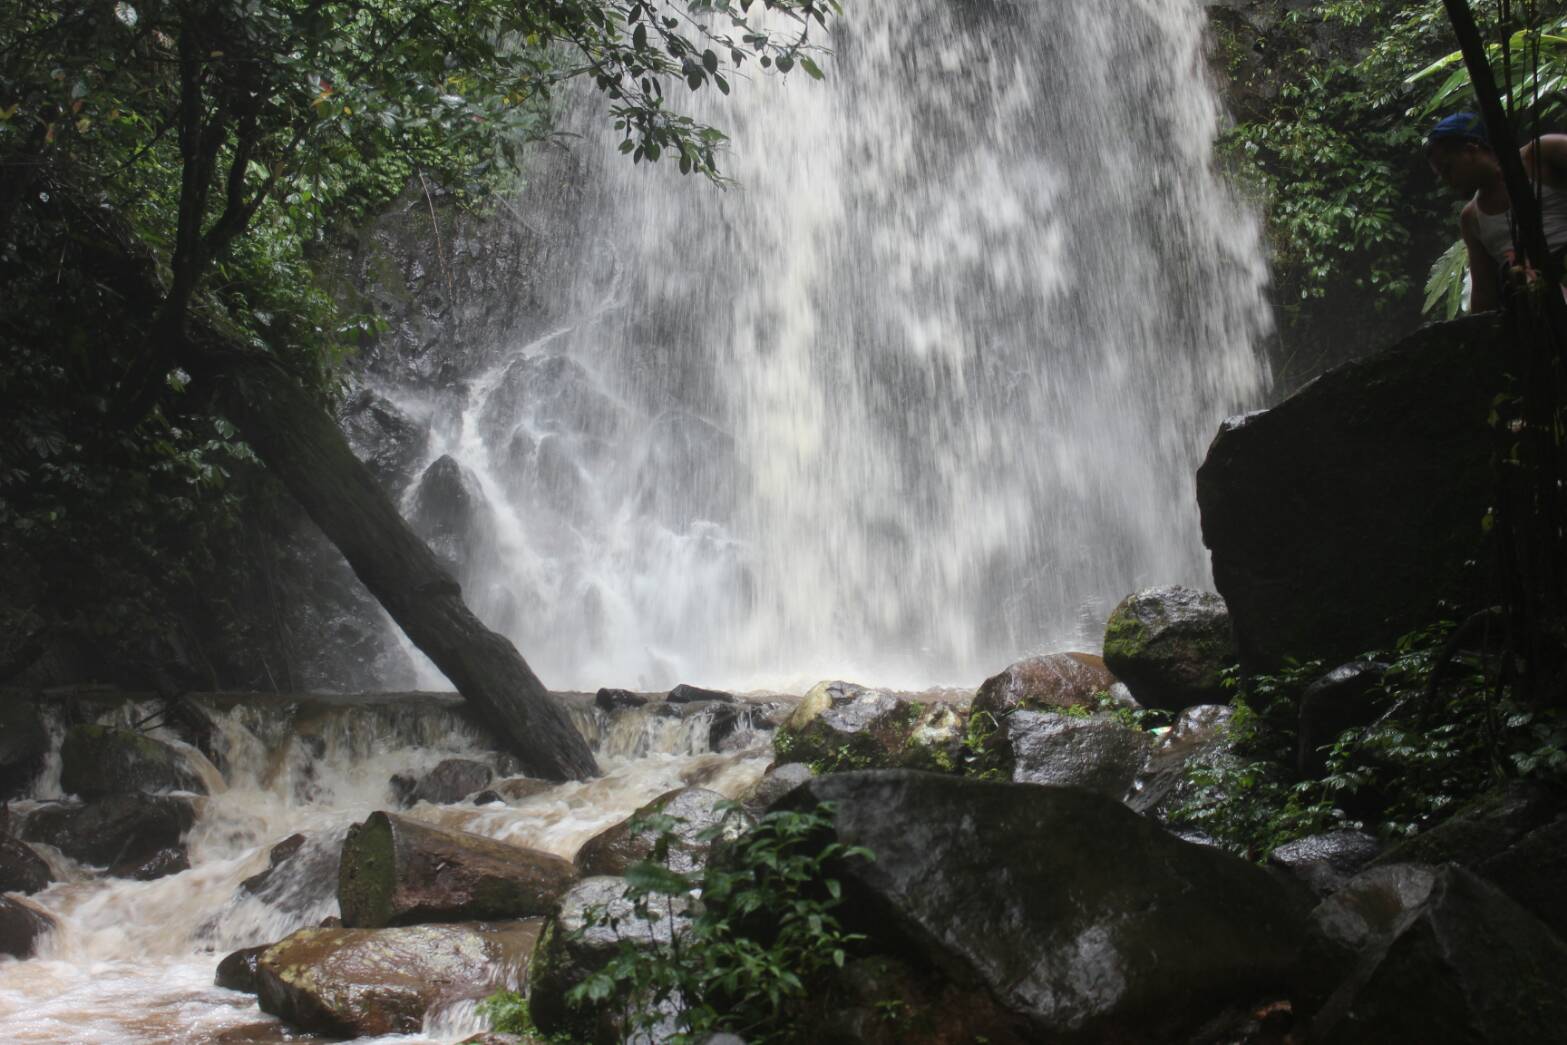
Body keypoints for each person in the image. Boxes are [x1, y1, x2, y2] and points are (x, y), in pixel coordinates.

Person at [1425, 111, 1567, 311]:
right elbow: (1485, 293)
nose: (1448, 182)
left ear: (1471, 150)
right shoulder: (1472, 217)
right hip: (1541, 306)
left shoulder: (1541, 155)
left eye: (1448, 169)